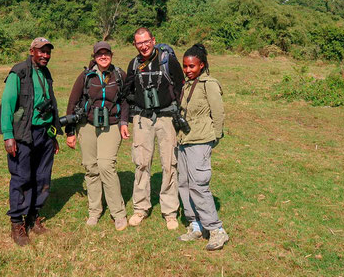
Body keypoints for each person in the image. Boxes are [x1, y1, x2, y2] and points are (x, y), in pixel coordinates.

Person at [0, 37, 64, 246]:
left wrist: (53, 136)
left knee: (42, 178)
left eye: (48, 52)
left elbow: (50, 105)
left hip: (44, 134)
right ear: (32, 51)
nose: (45, 55)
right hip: (23, 133)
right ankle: (17, 223)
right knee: (22, 177)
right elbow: (7, 103)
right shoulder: (19, 72)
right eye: (41, 51)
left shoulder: (45, 73)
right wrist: (8, 135)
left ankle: (33, 217)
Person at [65, 41, 130, 231]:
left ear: (111, 55)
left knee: (106, 165)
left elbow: (126, 100)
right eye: (99, 54)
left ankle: (118, 213)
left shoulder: (119, 75)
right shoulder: (86, 76)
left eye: (106, 53)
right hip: (87, 125)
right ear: (94, 56)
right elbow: (72, 102)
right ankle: (94, 211)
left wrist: (124, 122)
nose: (103, 57)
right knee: (91, 167)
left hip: (112, 125)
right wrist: (70, 132)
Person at [124, 27, 185, 230]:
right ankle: (140, 208)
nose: (143, 46)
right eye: (139, 43)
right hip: (142, 119)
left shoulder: (168, 61)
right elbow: (127, 90)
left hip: (166, 118)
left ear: (153, 40)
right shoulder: (134, 64)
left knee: (169, 163)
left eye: (146, 41)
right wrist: (136, 105)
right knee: (141, 163)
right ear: (135, 44)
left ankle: (169, 211)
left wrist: (178, 112)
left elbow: (180, 86)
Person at [176, 43, 229, 250]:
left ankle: (216, 230)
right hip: (184, 140)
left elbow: (218, 113)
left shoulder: (209, 84)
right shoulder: (186, 84)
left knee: (199, 184)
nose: (188, 70)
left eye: (192, 66)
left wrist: (214, 138)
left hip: (200, 140)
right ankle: (195, 225)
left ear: (202, 65)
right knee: (184, 183)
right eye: (185, 66)